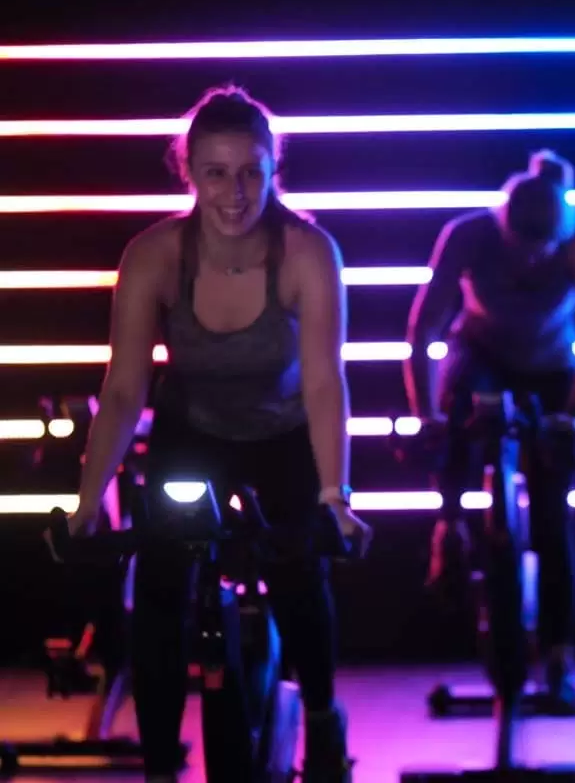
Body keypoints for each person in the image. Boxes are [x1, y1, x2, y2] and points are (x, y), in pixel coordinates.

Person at [57, 85, 371, 783]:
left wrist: (335, 495)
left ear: (273, 167)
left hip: (285, 433)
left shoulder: (308, 251)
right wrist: (86, 502)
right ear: (188, 173)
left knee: (299, 571)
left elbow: (323, 380)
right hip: (192, 432)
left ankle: (321, 719)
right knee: (162, 585)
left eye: (252, 171)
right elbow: (123, 389)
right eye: (217, 173)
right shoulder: (154, 255)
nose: (236, 192)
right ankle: (161, 761)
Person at [403, 149, 575, 698]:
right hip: (482, 355)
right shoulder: (468, 235)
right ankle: (449, 527)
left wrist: (569, 412)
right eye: (520, 247)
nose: (530, 261)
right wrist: (428, 416)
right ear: (502, 226)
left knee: (552, 509)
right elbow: (423, 330)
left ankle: (561, 650)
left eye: (541, 250)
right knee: (454, 428)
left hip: (549, 365)